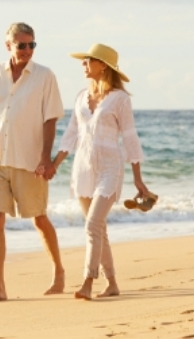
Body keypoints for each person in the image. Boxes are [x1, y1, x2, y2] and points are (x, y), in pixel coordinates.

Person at [52, 43, 152, 300]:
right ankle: (112, 283)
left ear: (103, 65)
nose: (83, 65)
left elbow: (130, 137)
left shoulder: (120, 99)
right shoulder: (79, 97)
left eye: (88, 61)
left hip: (110, 168)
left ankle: (88, 281)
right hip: (83, 168)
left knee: (92, 225)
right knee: (98, 229)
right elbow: (72, 133)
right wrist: (55, 164)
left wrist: (138, 179)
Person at [0, 22, 65, 303]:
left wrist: (45, 158)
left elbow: (51, 118)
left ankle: (59, 272)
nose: (27, 50)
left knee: (38, 218)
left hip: (29, 160)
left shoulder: (44, 76)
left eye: (32, 45)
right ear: (8, 46)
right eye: (21, 45)